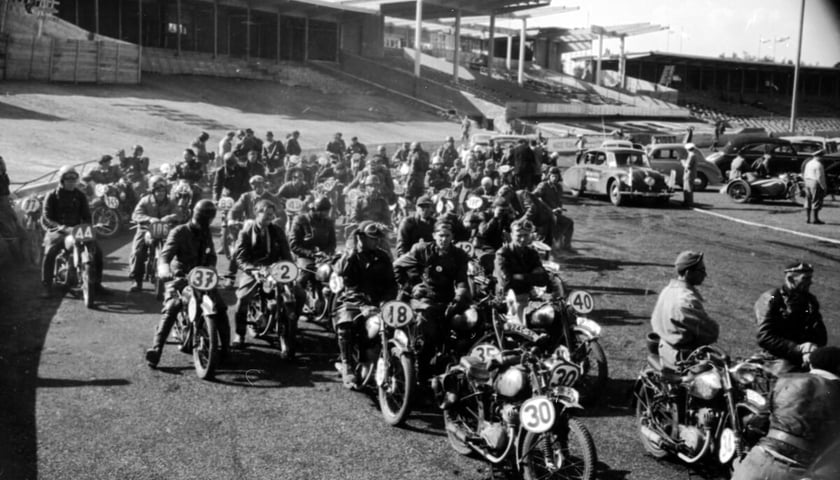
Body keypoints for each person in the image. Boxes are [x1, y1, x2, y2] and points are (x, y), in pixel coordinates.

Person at [731, 346, 840, 480]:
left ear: (811, 364)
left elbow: (758, 424)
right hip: (800, 471)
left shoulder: (785, 380)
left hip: (759, 459)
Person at [145, 200, 228, 368]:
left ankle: (226, 349)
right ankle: (156, 349)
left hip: (201, 277)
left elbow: (211, 254)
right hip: (180, 277)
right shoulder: (179, 231)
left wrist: (211, 267)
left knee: (220, 307)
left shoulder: (206, 233)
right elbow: (165, 256)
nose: (206, 222)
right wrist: (164, 270)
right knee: (173, 305)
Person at [393, 221, 470, 380]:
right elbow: (397, 266)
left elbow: (462, 280)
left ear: (452, 237)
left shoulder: (459, 255)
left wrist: (459, 297)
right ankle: (422, 369)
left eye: (447, 236)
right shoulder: (421, 250)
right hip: (425, 299)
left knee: (470, 322)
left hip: (448, 299)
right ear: (434, 236)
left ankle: (455, 367)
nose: (444, 239)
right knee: (427, 325)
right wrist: (412, 286)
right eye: (441, 236)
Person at [334, 221, 398, 388]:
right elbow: (342, 275)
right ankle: (347, 365)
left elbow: (391, 284)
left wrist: (386, 300)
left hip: (378, 303)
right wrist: (352, 249)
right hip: (353, 301)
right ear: (361, 238)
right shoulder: (351, 256)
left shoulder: (383, 256)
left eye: (377, 238)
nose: (375, 242)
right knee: (346, 324)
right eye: (371, 238)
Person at [232, 200, 302, 349]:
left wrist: (290, 269)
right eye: (267, 214)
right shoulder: (246, 231)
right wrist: (254, 270)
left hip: (275, 269)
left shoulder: (277, 230)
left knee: (300, 294)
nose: (270, 217)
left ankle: (291, 325)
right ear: (257, 213)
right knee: (243, 298)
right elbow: (241, 259)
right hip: (254, 269)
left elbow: (286, 254)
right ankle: (240, 333)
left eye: (272, 214)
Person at [40, 166, 106, 297]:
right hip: (58, 230)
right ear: (62, 180)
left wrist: (87, 226)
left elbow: (87, 215)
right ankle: (46, 286)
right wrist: (61, 227)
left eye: (74, 179)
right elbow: (47, 216)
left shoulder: (80, 195)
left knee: (97, 252)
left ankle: (97, 284)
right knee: (50, 252)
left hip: (77, 230)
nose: (71, 182)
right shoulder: (52, 195)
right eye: (68, 179)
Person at [650, 251, 719, 370]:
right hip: (681, 358)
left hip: (664, 348)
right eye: (701, 271)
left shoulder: (668, 289)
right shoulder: (687, 300)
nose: (705, 275)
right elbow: (710, 332)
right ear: (688, 273)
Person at [754, 262, 826, 375]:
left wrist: (811, 348)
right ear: (791, 279)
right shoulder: (771, 298)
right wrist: (799, 349)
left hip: (807, 354)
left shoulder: (810, 301)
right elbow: (764, 336)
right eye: (805, 279)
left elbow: (821, 335)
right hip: (777, 357)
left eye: (810, 278)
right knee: (792, 379)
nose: (810, 282)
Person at [128, 176, 184, 292]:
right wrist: (149, 219)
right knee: (137, 252)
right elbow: (136, 215)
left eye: (163, 191)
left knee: (177, 250)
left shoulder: (171, 202)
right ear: (153, 191)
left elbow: (179, 214)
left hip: (166, 230)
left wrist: (170, 217)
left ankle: (178, 276)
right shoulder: (145, 200)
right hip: (146, 229)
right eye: (158, 191)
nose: (160, 193)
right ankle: (136, 280)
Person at [493, 219, 553, 322]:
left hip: (528, 297)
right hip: (507, 299)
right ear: (511, 235)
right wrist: (532, 277)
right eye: (519, 235)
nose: (522, 239)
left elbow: (544, 279)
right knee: (519, 327)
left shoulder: (532, 253)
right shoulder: (503, 253)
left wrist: (521, 276)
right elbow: (506, 282)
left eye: (526, 235)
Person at [290, 197, 336, 295]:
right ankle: (298, 303)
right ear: (315, 210)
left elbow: (333, 243)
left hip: (324, 257)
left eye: (327, 211)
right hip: (305, 257)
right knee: (302, 279)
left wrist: (325, 253)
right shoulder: (301, 220)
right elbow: (293, 245)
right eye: (324, 211)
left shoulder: (328, 222)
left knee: (335, 276)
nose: (326, 214)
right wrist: (312, 254)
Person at [803, 150, 827, 224]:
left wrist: (805, 183)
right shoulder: (819, 165)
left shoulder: (808, 163)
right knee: (816, 200)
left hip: (807, 181)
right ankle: (815, 219)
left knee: (808, 199)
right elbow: (820, 177)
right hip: (815, 182)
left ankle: (807, 218)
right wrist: (824, 186)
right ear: (819, 156)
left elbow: (805, 173)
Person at [681, 143, 701, 208]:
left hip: (689, 174)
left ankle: (688, 202)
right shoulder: (693, 155)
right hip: (690, 174)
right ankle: (687, 201)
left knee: (688, 188)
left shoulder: (691, 156)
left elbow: (688, 166)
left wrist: (683, 162)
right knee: (687, 187)